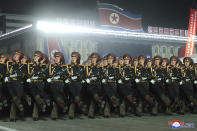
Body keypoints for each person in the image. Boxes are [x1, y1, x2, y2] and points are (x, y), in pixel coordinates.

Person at [27, 51, 47, 121]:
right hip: (32, 84)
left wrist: (40, 64)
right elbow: (28, 73)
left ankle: (35, 115)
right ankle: (42, 104)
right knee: (36, 98)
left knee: (37, 97)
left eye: (37, 56)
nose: (35, 57)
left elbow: (44, 74)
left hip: (39, 83)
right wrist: (29, 78)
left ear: (40, 58)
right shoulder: (31, 65)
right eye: (35, 56)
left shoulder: (43, 65)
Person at [5, 51, 25, 121]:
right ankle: (19, 109)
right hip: (10, 83)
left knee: (16, 99)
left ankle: (13, 116)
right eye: (15, 54)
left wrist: (16, 75)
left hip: (18, 83)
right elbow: (7, 72)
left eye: (17, 55)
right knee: (14, 98)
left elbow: (23, 74)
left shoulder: (22, 65)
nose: (15, 55)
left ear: (20, 57)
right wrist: (6, 77)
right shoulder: (10, 64)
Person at [47, 52, 68, 120]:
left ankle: (55, 113)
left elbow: (66, 75)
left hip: (60, 84)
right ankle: (62, 106)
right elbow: (48, 74)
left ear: (61, 58)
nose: (56, 59)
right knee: (56, 97)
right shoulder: (52, 66)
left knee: (57, 98)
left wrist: (60, 77)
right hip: (53, 84)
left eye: (58, 58)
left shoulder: (64, 67)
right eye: (55, 57)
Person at [65, 52, 85, 119]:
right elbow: (65, 75)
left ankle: (72, 111)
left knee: (74, 97)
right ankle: (77, 105)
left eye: (75, 57)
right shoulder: (68, 66)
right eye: (72, 57)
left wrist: (77, 78)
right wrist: (68, 79)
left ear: (78, 59)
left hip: (78, 84)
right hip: (71, 84)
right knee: (74, 95)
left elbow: (83, 76)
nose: (73, 59)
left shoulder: (81, 67)